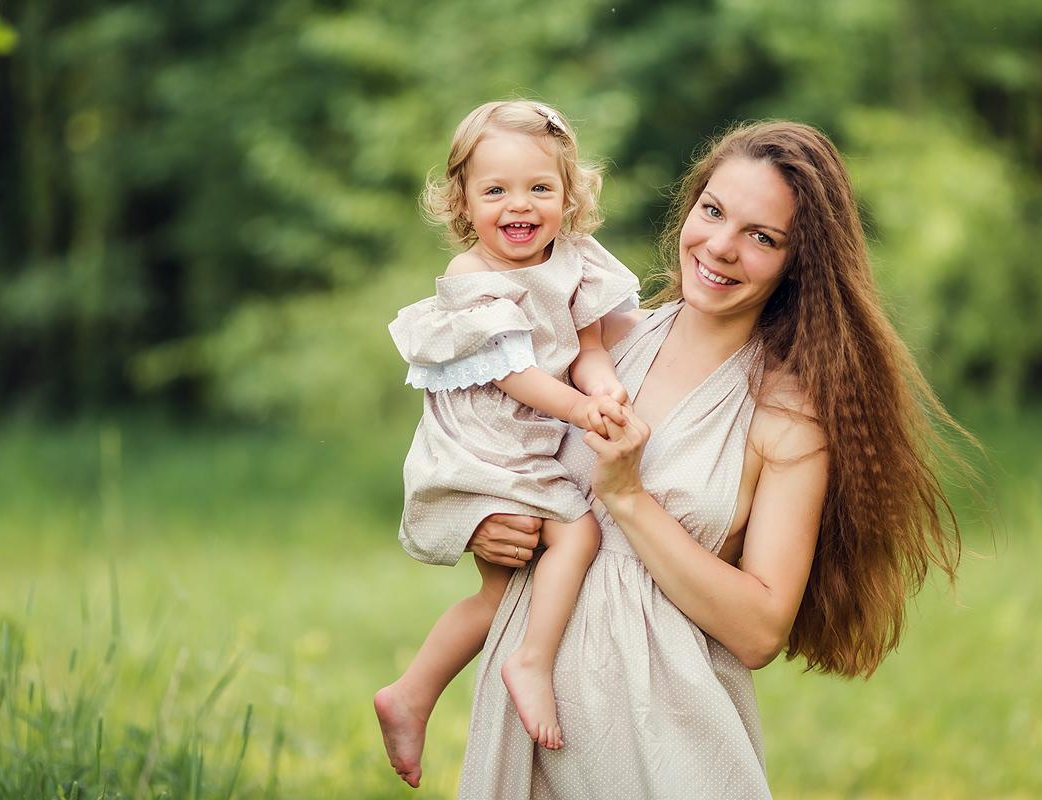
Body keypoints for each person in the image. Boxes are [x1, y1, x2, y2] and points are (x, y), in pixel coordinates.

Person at [452, 120, 969, 798]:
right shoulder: (598, 343)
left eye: (762, 237)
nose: (721, 247)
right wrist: (483, 523)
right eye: (714, 211)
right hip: (528, 721)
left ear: (798, 261)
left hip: (664, 741)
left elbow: (759, 631)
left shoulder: (787, 418)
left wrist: (630, 498)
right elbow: (484, 448)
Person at [374, 100, 641, 788]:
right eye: (495, 190)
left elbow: (587, 347)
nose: (518, 206)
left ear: (568, 195)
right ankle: (531, 660)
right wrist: (583, 410)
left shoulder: (575, 260)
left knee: (498, 596)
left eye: (539, 188)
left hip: (528, 438)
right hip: (489, 442)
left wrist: (606, 387)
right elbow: (519, 376)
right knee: (575, 535)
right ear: (461, 200)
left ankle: (411, 695)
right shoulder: (472, 277)